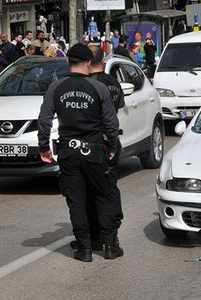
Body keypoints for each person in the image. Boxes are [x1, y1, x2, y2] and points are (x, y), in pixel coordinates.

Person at [37, 44, 122, 262]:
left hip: (68, 153)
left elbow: (44, 120)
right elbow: (111, 123)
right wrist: (113, 147)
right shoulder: (98, 88)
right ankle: (110, 246)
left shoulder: (56, 88)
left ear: (68, 62)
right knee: (104, 196)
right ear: (88, 63)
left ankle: (84, 249)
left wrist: (44, 147)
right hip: (95, 151)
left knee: (76, 200)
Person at [67, 45, 125, 253]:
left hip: (92, 144)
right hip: (108, 142)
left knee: (90, 194)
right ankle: (110, 238)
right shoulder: (112, 83)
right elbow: (116, 109)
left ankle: (94, 237)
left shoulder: (87, 86)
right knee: (108, 191)